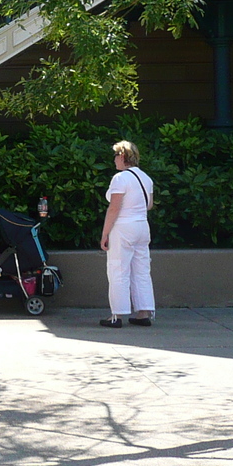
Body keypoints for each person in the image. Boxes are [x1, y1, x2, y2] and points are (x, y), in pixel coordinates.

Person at [100, 140, 155, 328]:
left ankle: (117, 315)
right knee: (141, 270)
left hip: (123, 227)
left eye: (115, 156)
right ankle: (144, 312)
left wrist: (105, 234)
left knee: (118, 269)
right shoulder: (146, 178)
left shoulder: (120, 178)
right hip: (142, 226)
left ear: (122, 156)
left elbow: (114, 208)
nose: (114, 160)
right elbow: (148, 205)